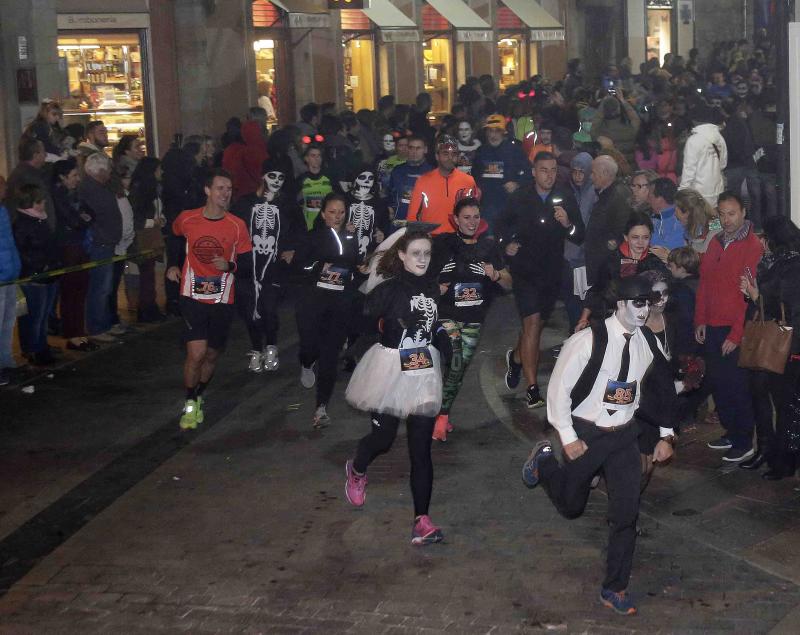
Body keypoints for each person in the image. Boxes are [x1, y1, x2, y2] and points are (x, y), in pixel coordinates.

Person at [521, 274, 676, 617]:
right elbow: (558, 391)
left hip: (624, 435)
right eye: (638, 303)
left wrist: (666, 434)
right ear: (620, 304)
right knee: (571, 504)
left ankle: (614, 587)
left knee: (626, 512)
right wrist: (568, 436)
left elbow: (661, 387)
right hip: (587, 432)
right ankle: (543, 462)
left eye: (647, 304)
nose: (643, 311)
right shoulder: (588, 340)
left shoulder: (647, 341)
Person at [343, 230, 451, 545]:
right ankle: (358, 468)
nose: (421, 259)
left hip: (423, 370)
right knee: (383, 439)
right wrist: (378, 328)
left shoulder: (432, 287)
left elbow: (434, 319)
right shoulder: (387, 289)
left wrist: (442, 337)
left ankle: (422, 521)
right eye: (415, 253)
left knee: (421, 449)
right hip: (389, 368)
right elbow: (361, 317)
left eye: (426, 254)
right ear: (402, 255)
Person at [166, 169, 253, 430]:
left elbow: (247, 264)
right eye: (220, 188)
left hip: (222, 298)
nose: (225, 194)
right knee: (197, 352)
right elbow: (173, 236)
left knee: (212, 354)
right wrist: (172, 263)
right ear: (207, 190)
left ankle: (200, 394)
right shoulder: (188, 218)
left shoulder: (237, 225)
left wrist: (230, 266)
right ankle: (190, 402)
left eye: (229, 189)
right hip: (191, 295)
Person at [497, 151, 585, 408]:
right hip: (525, 272)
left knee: (533, 327)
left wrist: (568, 222)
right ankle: (532, 388)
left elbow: (579, 234)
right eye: (544, 170)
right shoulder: (520, 197)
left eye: (553, 170)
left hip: (551, 272)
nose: (549, 175)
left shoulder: (565, 196)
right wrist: (507, 245)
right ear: (534, 172)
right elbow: (500, 227)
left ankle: (515, 359)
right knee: (532, 323)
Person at [431, 197, 511, 441]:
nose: (471, 222)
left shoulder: (489, 246)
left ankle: (440, 413)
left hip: (474, 318)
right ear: (455, 219)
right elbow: (420, 269)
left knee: (458, 369)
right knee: (455, 358)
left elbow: (509, 284)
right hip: (446, 316)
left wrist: (495, 274)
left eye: (476, 217)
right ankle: (440, 418)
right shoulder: (442, 243)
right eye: (466, 217)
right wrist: (437, 285)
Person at [695, 192, 763, 462]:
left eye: (731, 213)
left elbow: (748, 297)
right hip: (711, 323)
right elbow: (704, 285)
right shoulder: (716, 242)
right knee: (719, 383)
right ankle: (731, 432)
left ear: (744, 212)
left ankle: (744, 439)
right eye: (722, 213)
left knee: (736, 385)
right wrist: (700, 319)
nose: (726, 219)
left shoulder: (752, 245)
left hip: (733, 327)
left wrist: (737, 334)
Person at [738, 216, 800, 479]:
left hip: (788, 344)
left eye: (764, 238)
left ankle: (785, 462)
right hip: (778, 341)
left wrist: (755, 295)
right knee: (778, 401)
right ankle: (775, 454)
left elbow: (786, 305)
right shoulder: (778, 262)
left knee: (787, 405)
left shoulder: (793, 265)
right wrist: (752, 293)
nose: (761, 242)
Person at [294, 192, 362, 428]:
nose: (337, 216)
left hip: (339, 303)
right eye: (332, 212)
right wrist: (317, 267)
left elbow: (354, 264)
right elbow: (298, 265)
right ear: (323, 214)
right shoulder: (311, 237)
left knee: (330, 354)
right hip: (312, 301)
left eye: (341, 212)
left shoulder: (350, 236)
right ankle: (306, 361)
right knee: (310, 345)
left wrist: (361, 267)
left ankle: (321, 407)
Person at [232, 161, 304, 373]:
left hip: (274, 265)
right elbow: (233, 229)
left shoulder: (288, 205)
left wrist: (292, 250)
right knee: (251, 310)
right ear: (263, 176)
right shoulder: (244, 203)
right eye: (273, 176)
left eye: (281, 178)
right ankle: (256, 349)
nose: (277, 181)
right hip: (247, 266)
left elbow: (301, 232)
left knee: (269, 308)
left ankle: (271, 346)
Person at [577, 212, 669, 330]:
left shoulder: (655, 262)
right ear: (626, 237)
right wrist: (583, 318)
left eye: (645, 237)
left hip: (645, 320)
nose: (641, 242)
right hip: (612, 318)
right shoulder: (612, 260)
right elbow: (597, 290)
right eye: (635, 237)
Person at [12, 184, 60, 366]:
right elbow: (23, 251)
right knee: (34, 316)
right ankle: (33, 348)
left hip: (47, 273)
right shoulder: (23, 223)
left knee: (42, 313)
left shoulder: (40, 220)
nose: (44, 203)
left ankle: (41, 345)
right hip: (34, 275)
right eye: (41, 201)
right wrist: (39, 264)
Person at [79, 152, 123, 344]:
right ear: (101, 170)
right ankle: (97, 326)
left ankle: (102, 323)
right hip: (101, 243)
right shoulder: (92, 190)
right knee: (100, 287)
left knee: (104, 287)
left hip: (106, 241)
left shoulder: (96, 188)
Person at [52, 158, 95, 351]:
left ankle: (79, 331)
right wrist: (82, 219)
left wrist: (83, 219)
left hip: (80, 244)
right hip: (69, 247)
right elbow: (74, 220)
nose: (77, 179)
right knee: (71, 291)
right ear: (62, 177)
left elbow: (90, 214)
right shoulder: (58, 196)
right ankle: (73, 334)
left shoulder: (74, 195)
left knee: (80, 289)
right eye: (74, 175)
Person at [409, 135, 477, 235]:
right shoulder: (422, 181)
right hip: (431, 239)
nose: (450, 157)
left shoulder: (468, 181)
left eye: (454, 154)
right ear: (437, 156)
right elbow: (412, 216)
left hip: (459, 239)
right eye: (445, 154)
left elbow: (475, 214)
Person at [472, 114, 530, 230]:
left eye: (497, 131)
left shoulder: (515, 151)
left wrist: (517, 183)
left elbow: (529, 173)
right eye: (490, 131)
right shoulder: (480, 152)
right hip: (486, 209)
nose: (493, 135)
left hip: (509, 208)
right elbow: (474, 177)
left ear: (504, 132)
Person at [584, 155, 632, 289]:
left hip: (607, 265)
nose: (591, 177)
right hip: (601, 262)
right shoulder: (605, 193)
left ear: (605, 173)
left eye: (593, 173)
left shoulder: (617, 197)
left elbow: (619, 232)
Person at [129, 157, 167, 323]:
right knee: (146, 272)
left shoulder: (149, 188)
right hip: (145, 235)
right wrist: (153, 221)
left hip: (150, 232)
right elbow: (136, 216)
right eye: (159, 169)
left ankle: (149, 306)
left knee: (149, 273)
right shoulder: (141, 189)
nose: (161, 172)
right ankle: (146, 308)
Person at [562, 152, 597, 331]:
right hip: (569, 256)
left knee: (587, 302)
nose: (577, 176)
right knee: (571, 301)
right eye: (574, 171)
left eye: (581, 172)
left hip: (587, 257)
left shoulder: (595, 193)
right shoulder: (567, 191)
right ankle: (573, 339)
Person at [679, 106, 727, 207]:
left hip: (698, 193)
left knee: (698, 221)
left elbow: (689, 170)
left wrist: (683, 192)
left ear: (695, 120)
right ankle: (715, 224)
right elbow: (723, 164)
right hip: (717, 189)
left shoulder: (693, 140)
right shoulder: (720, 138)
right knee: (714, 218)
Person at [386, 135, 431, 226]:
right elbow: (390, 195)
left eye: (418, 148)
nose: (414, 152)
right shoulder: (397, 171)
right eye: (411, 148)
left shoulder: (433, 173)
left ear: (425, 149)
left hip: (424, 224)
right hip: (399, 222)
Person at [0, 200, 22, 385]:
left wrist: (16, 267)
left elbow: (9, 241)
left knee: (8, 322)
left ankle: (6, 361)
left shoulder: (3, 211)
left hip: (9, 274)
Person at [222, 120, 268, 204]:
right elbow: (260, 173)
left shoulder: (230, 149)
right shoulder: (255, 150)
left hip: (236, 192)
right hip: (253, 192)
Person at [674, 188, 721, 253]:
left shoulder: (715, 226)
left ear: (687, 213)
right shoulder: (690, 228)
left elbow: (705, 256)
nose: (674, 214)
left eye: (676, 210)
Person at [298, 144, 334, 230]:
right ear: (306, 159)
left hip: (327, 225)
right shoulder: (301, 180)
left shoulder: (330, 178)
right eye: (313, 156)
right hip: (309, 226)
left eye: (319, 156)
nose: (316, 159)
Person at [647, 177, 684, 254]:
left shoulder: (682, 218)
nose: (648, 200)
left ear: (659, 199)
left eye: (650, 196)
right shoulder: (652, 216)